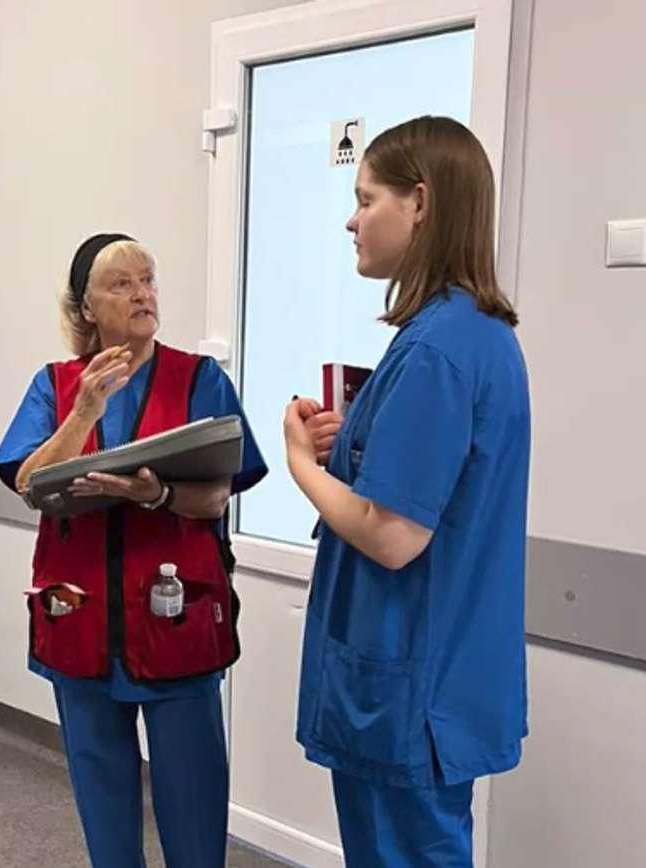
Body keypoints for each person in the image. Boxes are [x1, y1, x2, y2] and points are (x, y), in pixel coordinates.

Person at [284, 116, 530, 867]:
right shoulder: (471, 334)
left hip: (409, 685)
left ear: (419, 203)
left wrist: (305, 466)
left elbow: (393, 536)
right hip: (433, 674)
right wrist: (355, 446)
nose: (352, 220)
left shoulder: (438, 350)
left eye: (367, 199)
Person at [0, 233, 267, 867]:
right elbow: (31, 485)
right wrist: (85, 411)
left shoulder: (199, 380)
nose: (142, 293)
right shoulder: (55, 385)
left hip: (176, 623)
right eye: (121, 283)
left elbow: (216, 498)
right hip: (79, 624)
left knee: (194, 807)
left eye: (148, 279)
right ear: (86, 306)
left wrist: (156, 493)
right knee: (104, 806)